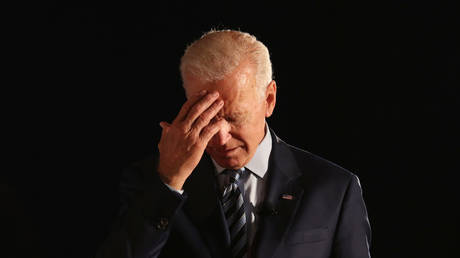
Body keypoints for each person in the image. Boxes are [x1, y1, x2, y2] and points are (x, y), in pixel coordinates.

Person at [96, 29, 371, 258]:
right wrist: (169, 183)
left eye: (235, 118)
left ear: (269, 100)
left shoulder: (335, 189)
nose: (220, 138)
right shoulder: (147, 181)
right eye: (206, 118)